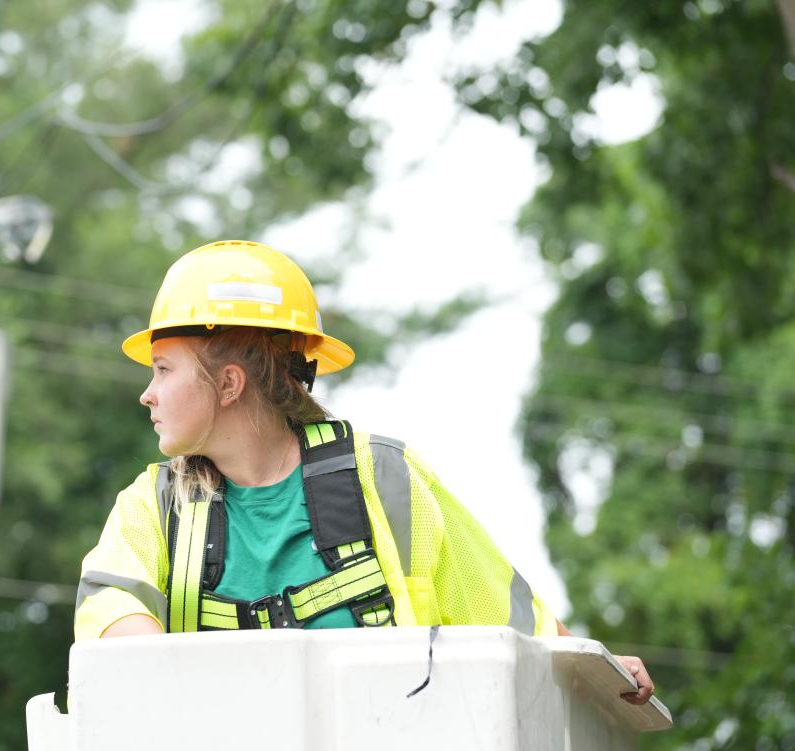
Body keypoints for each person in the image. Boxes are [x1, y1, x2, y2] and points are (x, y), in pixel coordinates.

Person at [74, 239, 655, 705]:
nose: (147, 395)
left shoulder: (385, 479)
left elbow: (502, 611)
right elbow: (109, 617)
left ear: (229, 384)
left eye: (163, 369)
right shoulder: (154, 505)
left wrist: (592, 664)